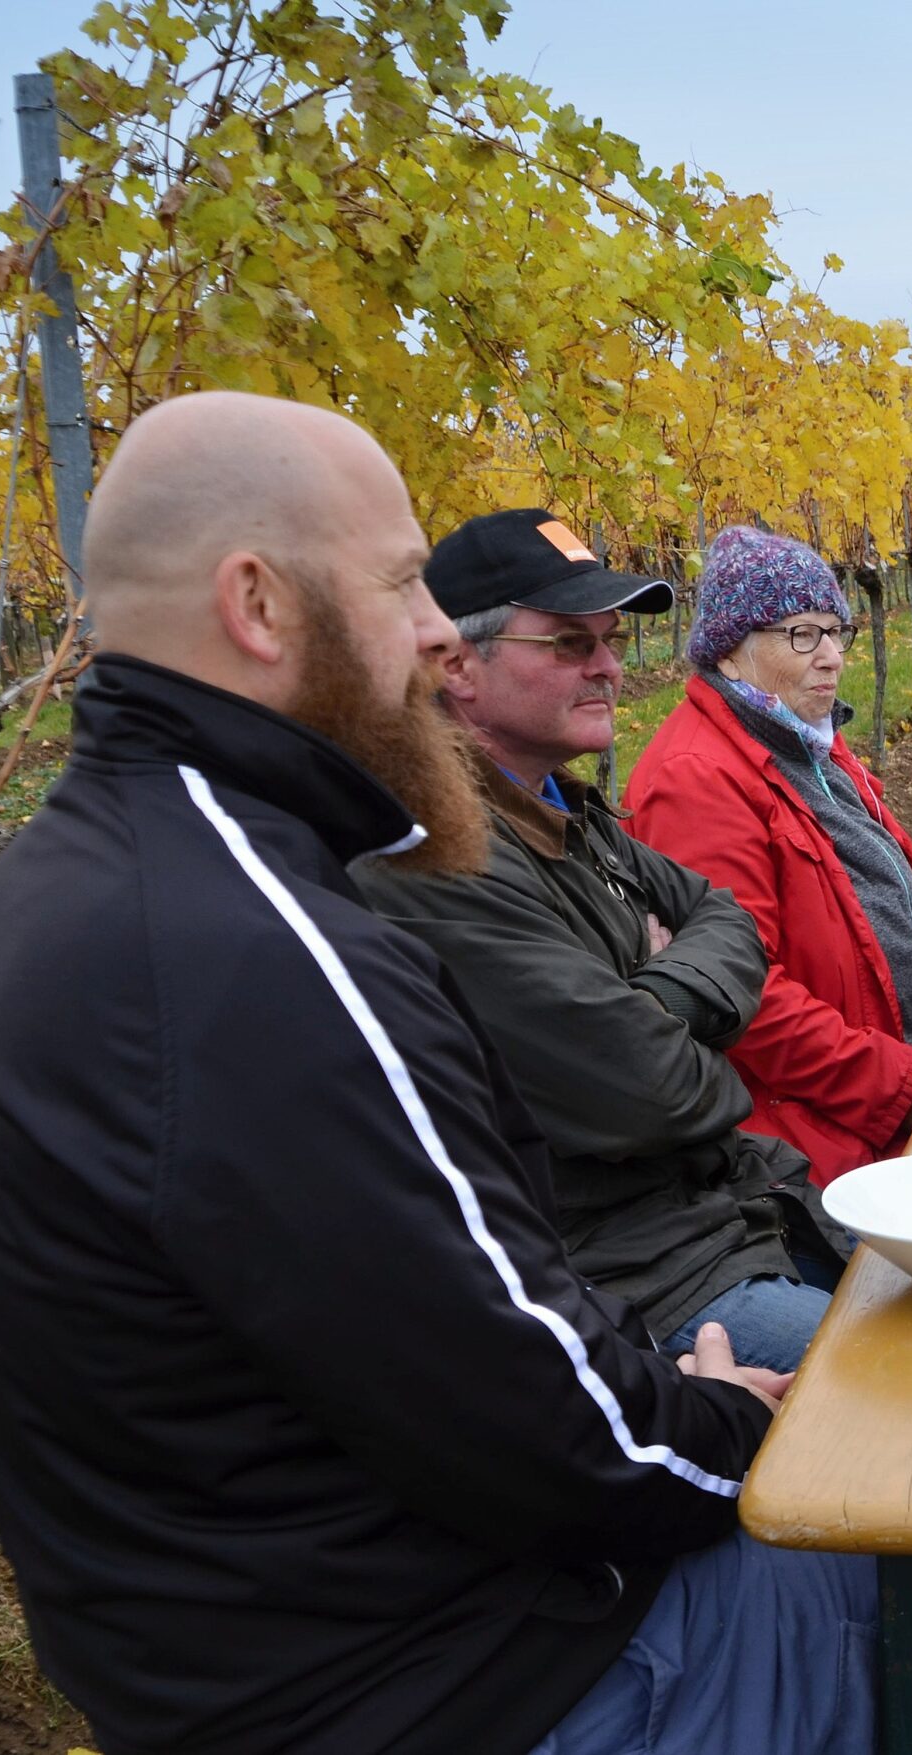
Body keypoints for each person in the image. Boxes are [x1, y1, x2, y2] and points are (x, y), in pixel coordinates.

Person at [0, 392, 912, 1755]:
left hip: (291, 1641)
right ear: (258, 605)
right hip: (455, 1681)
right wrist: (734, 1423)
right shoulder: (270, 953)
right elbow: (553, 1427)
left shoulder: (110, 871)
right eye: (401, 583)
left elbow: (436, 1334)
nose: (433, 636)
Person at [352, 508, 840, 1370]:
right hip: (631, 1281)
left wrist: (648, 996)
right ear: (457, 664)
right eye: (571, 644)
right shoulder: (431, 854)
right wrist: (684, 1027)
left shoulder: (564, 807)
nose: (611, 667)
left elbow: (727, 917)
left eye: (609, 642)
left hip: (731, 1207)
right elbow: (657, 1088)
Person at [626, 527, 912, 1182]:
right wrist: (907, 1091)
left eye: (836, 632)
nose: (832, 657)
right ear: (730, 653)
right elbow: (743, 997)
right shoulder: (697, 779)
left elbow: (884, 887)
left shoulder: (803, 741)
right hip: (822, 1140)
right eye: (803, 634)